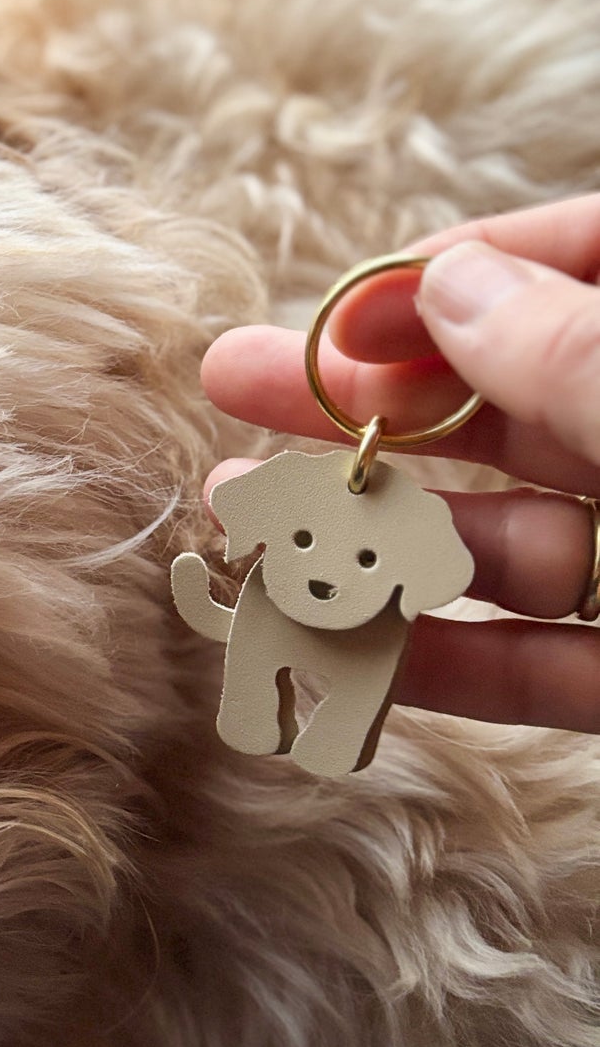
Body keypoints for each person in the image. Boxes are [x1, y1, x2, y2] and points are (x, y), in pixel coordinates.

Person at [201, 195, 600, 734]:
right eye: (302, 539)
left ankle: (326, 732)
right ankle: (250, 716)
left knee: (357, 694)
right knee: (256, 671)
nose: (323, 576)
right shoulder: (286, 524)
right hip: (269, 615)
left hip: (371, 628)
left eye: (369, 558)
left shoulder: (412, 553)